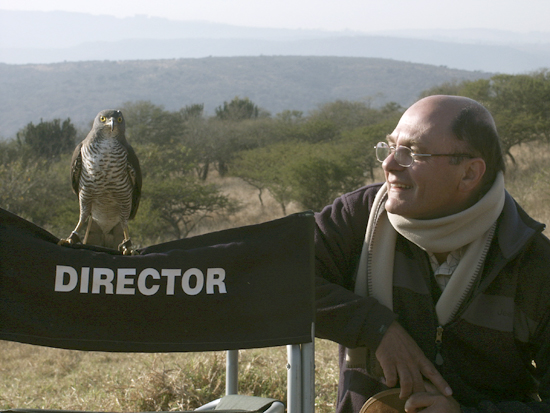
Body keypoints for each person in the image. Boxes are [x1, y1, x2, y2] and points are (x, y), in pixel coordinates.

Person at [314, 95, 550, 412]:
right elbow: (276, 278)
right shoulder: (357, 217)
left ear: (469, 174)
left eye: (411, 153)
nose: (389, 164)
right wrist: (376, 328)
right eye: (390, 147)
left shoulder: (532, 261)